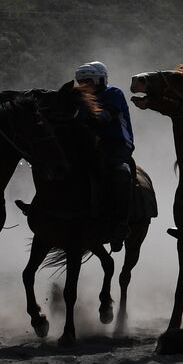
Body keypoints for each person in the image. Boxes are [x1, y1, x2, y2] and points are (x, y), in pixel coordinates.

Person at [73, 61, 135, 252]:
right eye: (81, 81)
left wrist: (79, 119)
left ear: (101, 79)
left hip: (116, 144)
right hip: (89, 144)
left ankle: (121, 224)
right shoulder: (78, 98)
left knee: (121, 172)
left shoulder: (113, 93)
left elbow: (104, 117)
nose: (84, 85)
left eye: (88, 81)